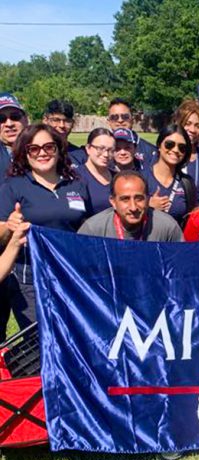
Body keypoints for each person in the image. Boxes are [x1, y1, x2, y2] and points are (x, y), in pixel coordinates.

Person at [0, 124, 90, 338]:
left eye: (49, 147)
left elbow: (84, 228)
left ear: (58, 150)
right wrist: (9, 227)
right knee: (40, 340)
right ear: (25, 153)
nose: (42, 153)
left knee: (71, 336)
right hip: (30, 277)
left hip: (69, 274)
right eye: (34, 148)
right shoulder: (13, 187)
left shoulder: (75, 184)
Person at [78, 170, 182, 242]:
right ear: (113, 202)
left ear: (147, 199)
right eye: (125, 199)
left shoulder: (167, 226)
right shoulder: (92, 230)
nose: (133, 207)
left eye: (139, 198)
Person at [144, 125, 196, 226]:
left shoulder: (187, 183)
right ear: (159, 145)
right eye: (169, 144)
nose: (176, 150)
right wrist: (147, 205)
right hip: (146, 240)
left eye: (182, 147)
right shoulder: (141, 178)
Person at [76, 128, 116, 215]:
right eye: (100, 148)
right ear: (88, 148)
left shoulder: (117, 177)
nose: (106, 154)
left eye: (110, 150)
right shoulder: (75, 177)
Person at [107, 98, 156, 166]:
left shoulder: (151, 152)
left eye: (125, 117)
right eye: (114, 117)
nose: (120, 120)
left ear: (132, 120)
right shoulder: (102, 150)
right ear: (108, 121)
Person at [43, 99, 85, 165]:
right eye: (56, 120)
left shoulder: (80, 156)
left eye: (67, 121)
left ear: (73, 123)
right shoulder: (36, 153)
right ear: (45, 120)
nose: (61, 125)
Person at [0, 93, 28, 181]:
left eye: (15, 117)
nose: (9, 124)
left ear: (26, 119)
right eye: (1, 119)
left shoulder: (44, 150)